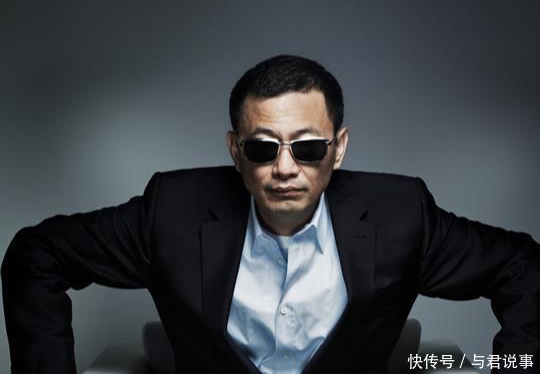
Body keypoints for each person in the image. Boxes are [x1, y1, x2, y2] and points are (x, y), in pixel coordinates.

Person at [2, 55, 539, 374]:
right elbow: (37, 254)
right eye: (263, 148)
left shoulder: (400, 214)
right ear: (235, 151)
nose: (285, 169)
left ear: (339, 148)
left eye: (307, 148)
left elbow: (521, 265)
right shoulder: (172, 212)